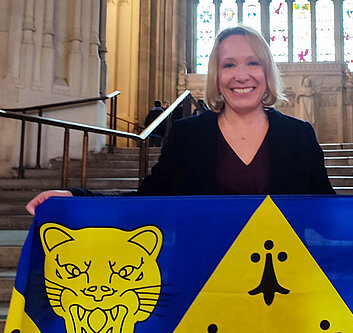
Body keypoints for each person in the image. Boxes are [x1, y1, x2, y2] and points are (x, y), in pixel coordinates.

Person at [26, 26, 335, 214]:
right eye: (229, 65)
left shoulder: (298, 136)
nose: (241, 75)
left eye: (253, 62)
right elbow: (147, 202)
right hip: (203, 284)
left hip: (283, 284)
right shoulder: (188, 136)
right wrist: (74, 199)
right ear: (217, 74)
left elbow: (328, 214)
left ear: (266, 71)